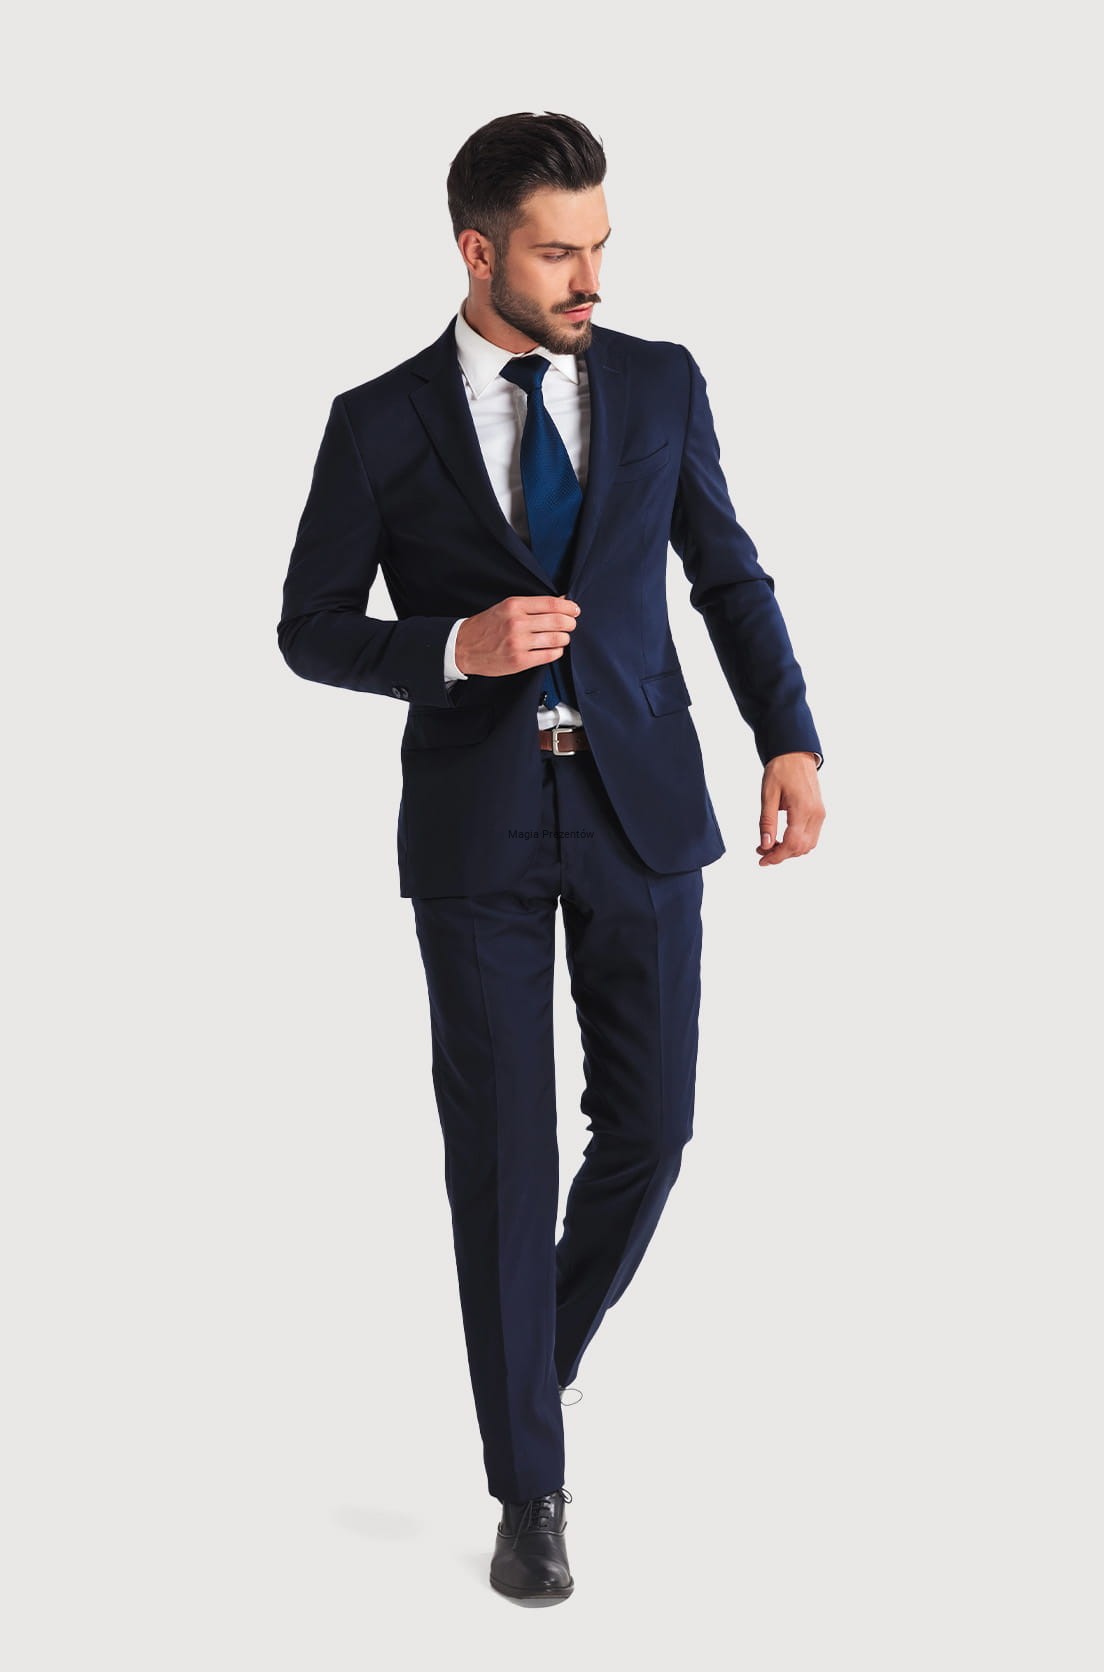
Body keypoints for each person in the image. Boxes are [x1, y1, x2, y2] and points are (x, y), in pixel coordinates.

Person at [276, 110, 826, 1604]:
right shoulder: (378, 422)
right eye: (557, 252)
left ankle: (530, 1361)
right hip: (482, 828)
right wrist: (452, 647)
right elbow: (309, 627)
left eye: (601, 247)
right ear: (478, 251)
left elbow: (726, 570)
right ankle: (531, 1484)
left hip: (642, 806)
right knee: (505, 1163)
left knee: (654, 1131)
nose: (591, 278)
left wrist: (789, 736)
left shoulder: (660, 381)